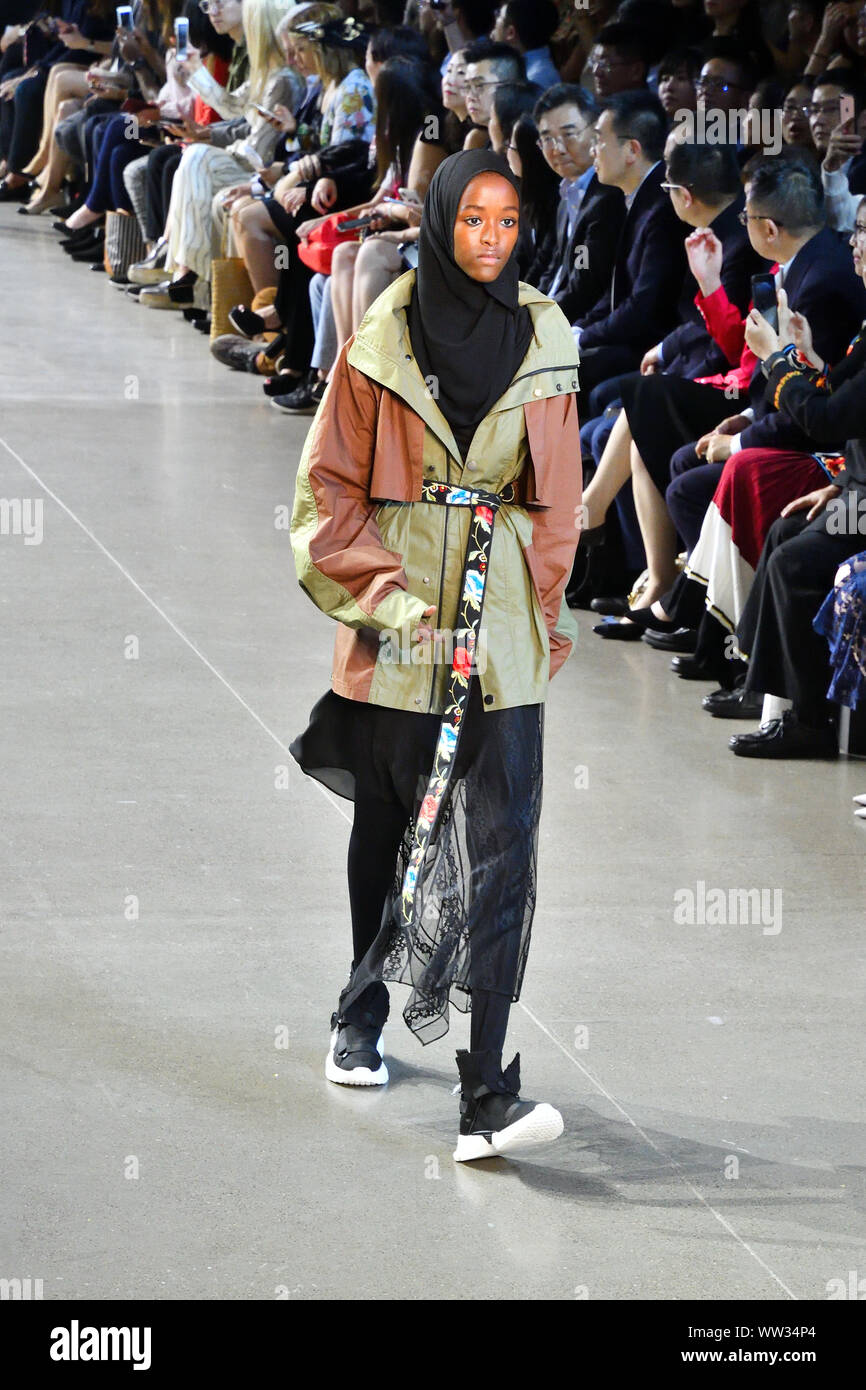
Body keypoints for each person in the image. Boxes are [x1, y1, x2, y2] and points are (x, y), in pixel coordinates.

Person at [289, 149, 581, 1162]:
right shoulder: (380, 344)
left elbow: (555, 503)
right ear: (440, 222)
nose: (491, 240)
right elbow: (327, 492)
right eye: (473, 221)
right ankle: (359, 1008)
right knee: (394, 833)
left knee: (505, 854)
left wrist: (540, 614)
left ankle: (487, 1090)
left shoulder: (545, 339)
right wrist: (386, 596)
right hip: (401, 621)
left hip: (498, 623)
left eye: (508, 222)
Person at [490, 0, 559, 90]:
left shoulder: (535, 78)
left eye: (498, 15)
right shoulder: (528, 70)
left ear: (510, 33)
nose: (495, 21)